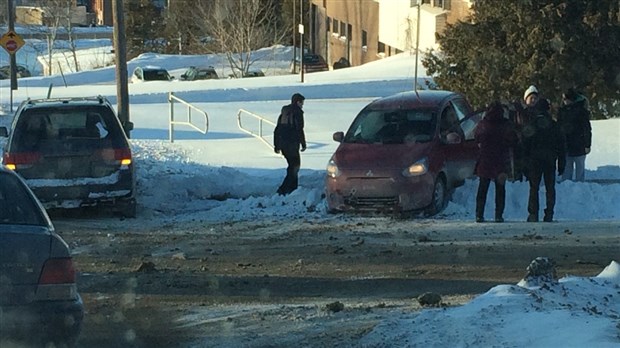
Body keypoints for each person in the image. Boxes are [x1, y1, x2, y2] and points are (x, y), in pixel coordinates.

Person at [522, 98, 566, 222]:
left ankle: (533, 213)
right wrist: (561, 163)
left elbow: (525, 146)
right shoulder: (554, 125)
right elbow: (561, 146)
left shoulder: (532, 125)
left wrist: (524, 164)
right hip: (550, 160)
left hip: (534, 160)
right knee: (550, 187)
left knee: (534, 188)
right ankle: (549, 213)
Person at [474, 102, 517, 223]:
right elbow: (513, 140)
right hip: (501, 160)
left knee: (483, 188)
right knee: (500, 189)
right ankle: (498, 215)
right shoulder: (506, 125)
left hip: (485, 160)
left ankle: (479, 214)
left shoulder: (483, 124)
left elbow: (476, 137)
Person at [274, 93, 307, 195]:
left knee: (292, 166)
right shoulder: (298, 112)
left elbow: (277, 129)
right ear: (298, 102)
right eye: (302, 103)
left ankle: (293, 188)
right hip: (292, 144)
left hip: (284, 144)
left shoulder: (283, 113)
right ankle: (284, 189)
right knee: (295, 166)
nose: (302, 105)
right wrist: (303, 143)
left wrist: (277, 145)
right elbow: (299, 129)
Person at [557, 88, 592, 182]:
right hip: (567, 144)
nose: (564, 101)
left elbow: (587, 129)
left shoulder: (581, 111)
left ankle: (579, 187)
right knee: (567, 169)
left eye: (565, 99)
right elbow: (559, 128)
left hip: (578, 144)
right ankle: (568, 186)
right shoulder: (562, 111)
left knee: (579, 169)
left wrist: (587, 144)